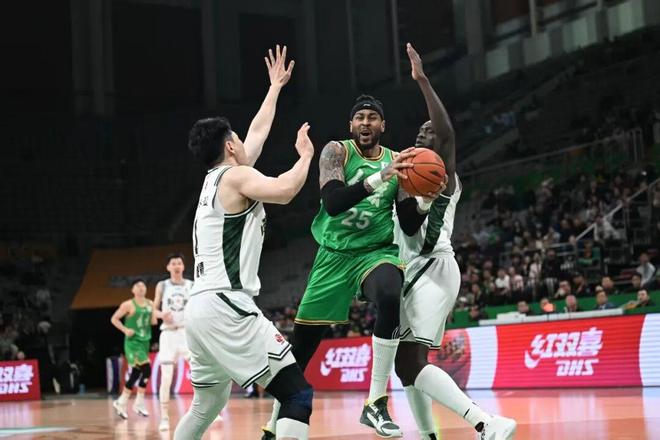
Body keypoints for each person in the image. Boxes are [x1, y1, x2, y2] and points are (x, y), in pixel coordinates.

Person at [174, 45, 317, 440]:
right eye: (236, 138)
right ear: (229, 147)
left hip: (200, 309)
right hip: (226, 303)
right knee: (297, 394)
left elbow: (256, 132)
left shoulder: (215, 180)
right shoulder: (237, 177)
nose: (243, 140)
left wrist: (274, 88)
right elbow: (285, 190)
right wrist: (305, 158)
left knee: (206, 406)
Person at [261, 96, 416, 437]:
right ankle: (273, 423)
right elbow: (332, 203)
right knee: (301, 349)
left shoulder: (397, 162)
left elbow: (408, 224)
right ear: (351, 125)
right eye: (360, 117)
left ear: (383, 125)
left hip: (374, 252)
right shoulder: (336, 151)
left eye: (372, 117)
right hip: (333, 256)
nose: (365, 122)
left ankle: (375, 402)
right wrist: (380, 177)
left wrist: (425, 200)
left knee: (390, 292)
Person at [392, 43, 516, 440]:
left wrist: (422, 80)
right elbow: (405, 226)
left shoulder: (441, 173)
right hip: (415, 269)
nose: (424, 133)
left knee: (410, 361)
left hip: (434, 266)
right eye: (419, 131)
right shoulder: (405, 179)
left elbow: (446, 134)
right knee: (405, 366)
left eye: (429, 131)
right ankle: (429, 435)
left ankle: (487, 422)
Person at [152, 253, 195, 431]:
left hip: (186, 332)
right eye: (173, 263)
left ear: (183, 266)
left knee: (199, 372)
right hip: (168, 334)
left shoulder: (191, 285)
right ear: (168, 267)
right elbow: (153, 310)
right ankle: (164, 417)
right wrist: (162, 315)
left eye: (179, 263)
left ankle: (208, 411)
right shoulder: (162, 285)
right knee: (166, 377)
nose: (176, 266)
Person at [110, 279, 155, 419]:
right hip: (133, 342)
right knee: (147, 370)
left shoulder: (150, 303)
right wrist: (125, 330)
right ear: (133, 290)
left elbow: (153, 321)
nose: (141, 288)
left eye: (143, 285)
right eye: (138, 286)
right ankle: (139, 403)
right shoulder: (128, 304)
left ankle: (121, 402)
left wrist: (161, 314)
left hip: (145, 341)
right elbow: (114, 319)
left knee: (136, 373)